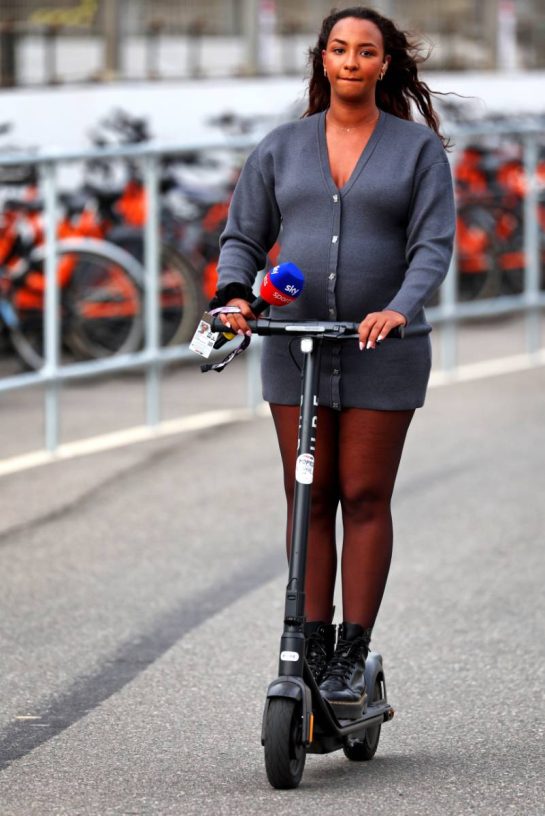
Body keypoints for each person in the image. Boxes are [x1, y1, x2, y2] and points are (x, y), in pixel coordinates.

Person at [210, 6, 455, 719]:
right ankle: (309, 650)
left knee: (365, 495)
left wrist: (399, 308)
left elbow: (432, 246)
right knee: (308, 497)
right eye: (339, 49)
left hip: (385, 349)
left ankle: (351, 654)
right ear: (322, 58)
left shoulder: (417, 151)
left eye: (365, 51)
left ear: (384, 64)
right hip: (297, 346)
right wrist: (234, 296)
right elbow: (242, 237)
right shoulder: (280, 147)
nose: (351, 61)